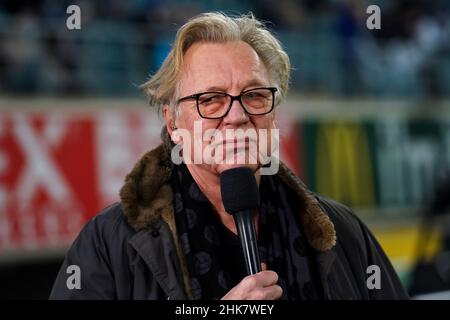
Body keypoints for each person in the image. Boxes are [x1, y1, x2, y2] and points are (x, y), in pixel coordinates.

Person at [50, 12, 408, 300]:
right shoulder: (108, 245)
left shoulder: (342, 232)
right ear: (173, 122)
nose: (237, 116)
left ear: (274, 113)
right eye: (210, 100)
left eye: (254, 95)